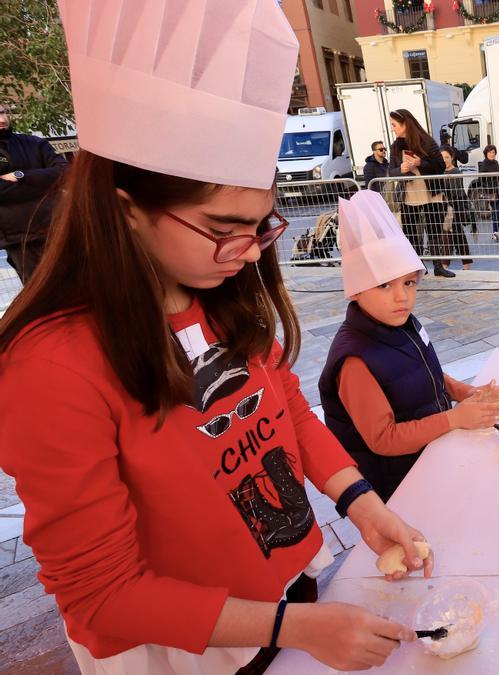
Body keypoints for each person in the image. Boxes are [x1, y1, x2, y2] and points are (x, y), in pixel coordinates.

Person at [0, 2, 432, 672]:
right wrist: (297, 626)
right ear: (129, 209)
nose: (251, 252)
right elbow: (101, 594)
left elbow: (281, 405)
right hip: (195, 648)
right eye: (225, 226)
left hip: (288, 593)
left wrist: (361, 501)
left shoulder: (215, 290)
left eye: (261, 224)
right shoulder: (51, 365)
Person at [319, 190, 499, 501]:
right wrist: (454, 418)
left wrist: (470, 393)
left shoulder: (401, 321)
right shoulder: (354, 360)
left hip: (431, 455)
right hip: (398, 483)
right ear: (355, 291)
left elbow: (425, 371)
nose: (402, 297)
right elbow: (383, 439)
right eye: (384, 285)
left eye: (409, 282)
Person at [0, 103, 68, 282]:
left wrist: (21, 176)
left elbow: (65, 172)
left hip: (56, 228)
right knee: (42, 293)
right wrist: (42, 183)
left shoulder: (34, 143)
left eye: (2, 112)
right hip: (19, 238)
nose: (2, 120)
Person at [387, 109, 455, 278]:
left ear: (405, 124)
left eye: (394, 125)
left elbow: (440, 166)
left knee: (434, 230)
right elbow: (390, 171)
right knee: (410, 231)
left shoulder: (427, 141)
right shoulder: (395, 146)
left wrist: (420, 162)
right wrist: (400, 170)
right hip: (409, 193)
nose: (392, 128)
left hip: (431, 192)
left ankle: (438, 267)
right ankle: (417, 266)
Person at [439, 146, 473, 269]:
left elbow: (455, 192)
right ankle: (454, 265)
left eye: (447, 157)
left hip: (454, 207)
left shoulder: (455, 172)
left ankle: (452, 265)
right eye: (442, 158)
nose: (444, 160)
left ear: (452, 158)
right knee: (449, 237)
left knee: (455, 236)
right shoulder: (439, 172)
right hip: (443, 208)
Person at [478, 144, 499, 242]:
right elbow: (481, 179)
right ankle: (495, 233)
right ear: (486, 153)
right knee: (496, 212)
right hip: (490, 191)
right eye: (490, 152)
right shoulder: (484, 164)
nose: (492, 154)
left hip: (498, 190)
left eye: (493, 152)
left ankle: (496, 232)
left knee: (498, 213)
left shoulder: (496, 163)